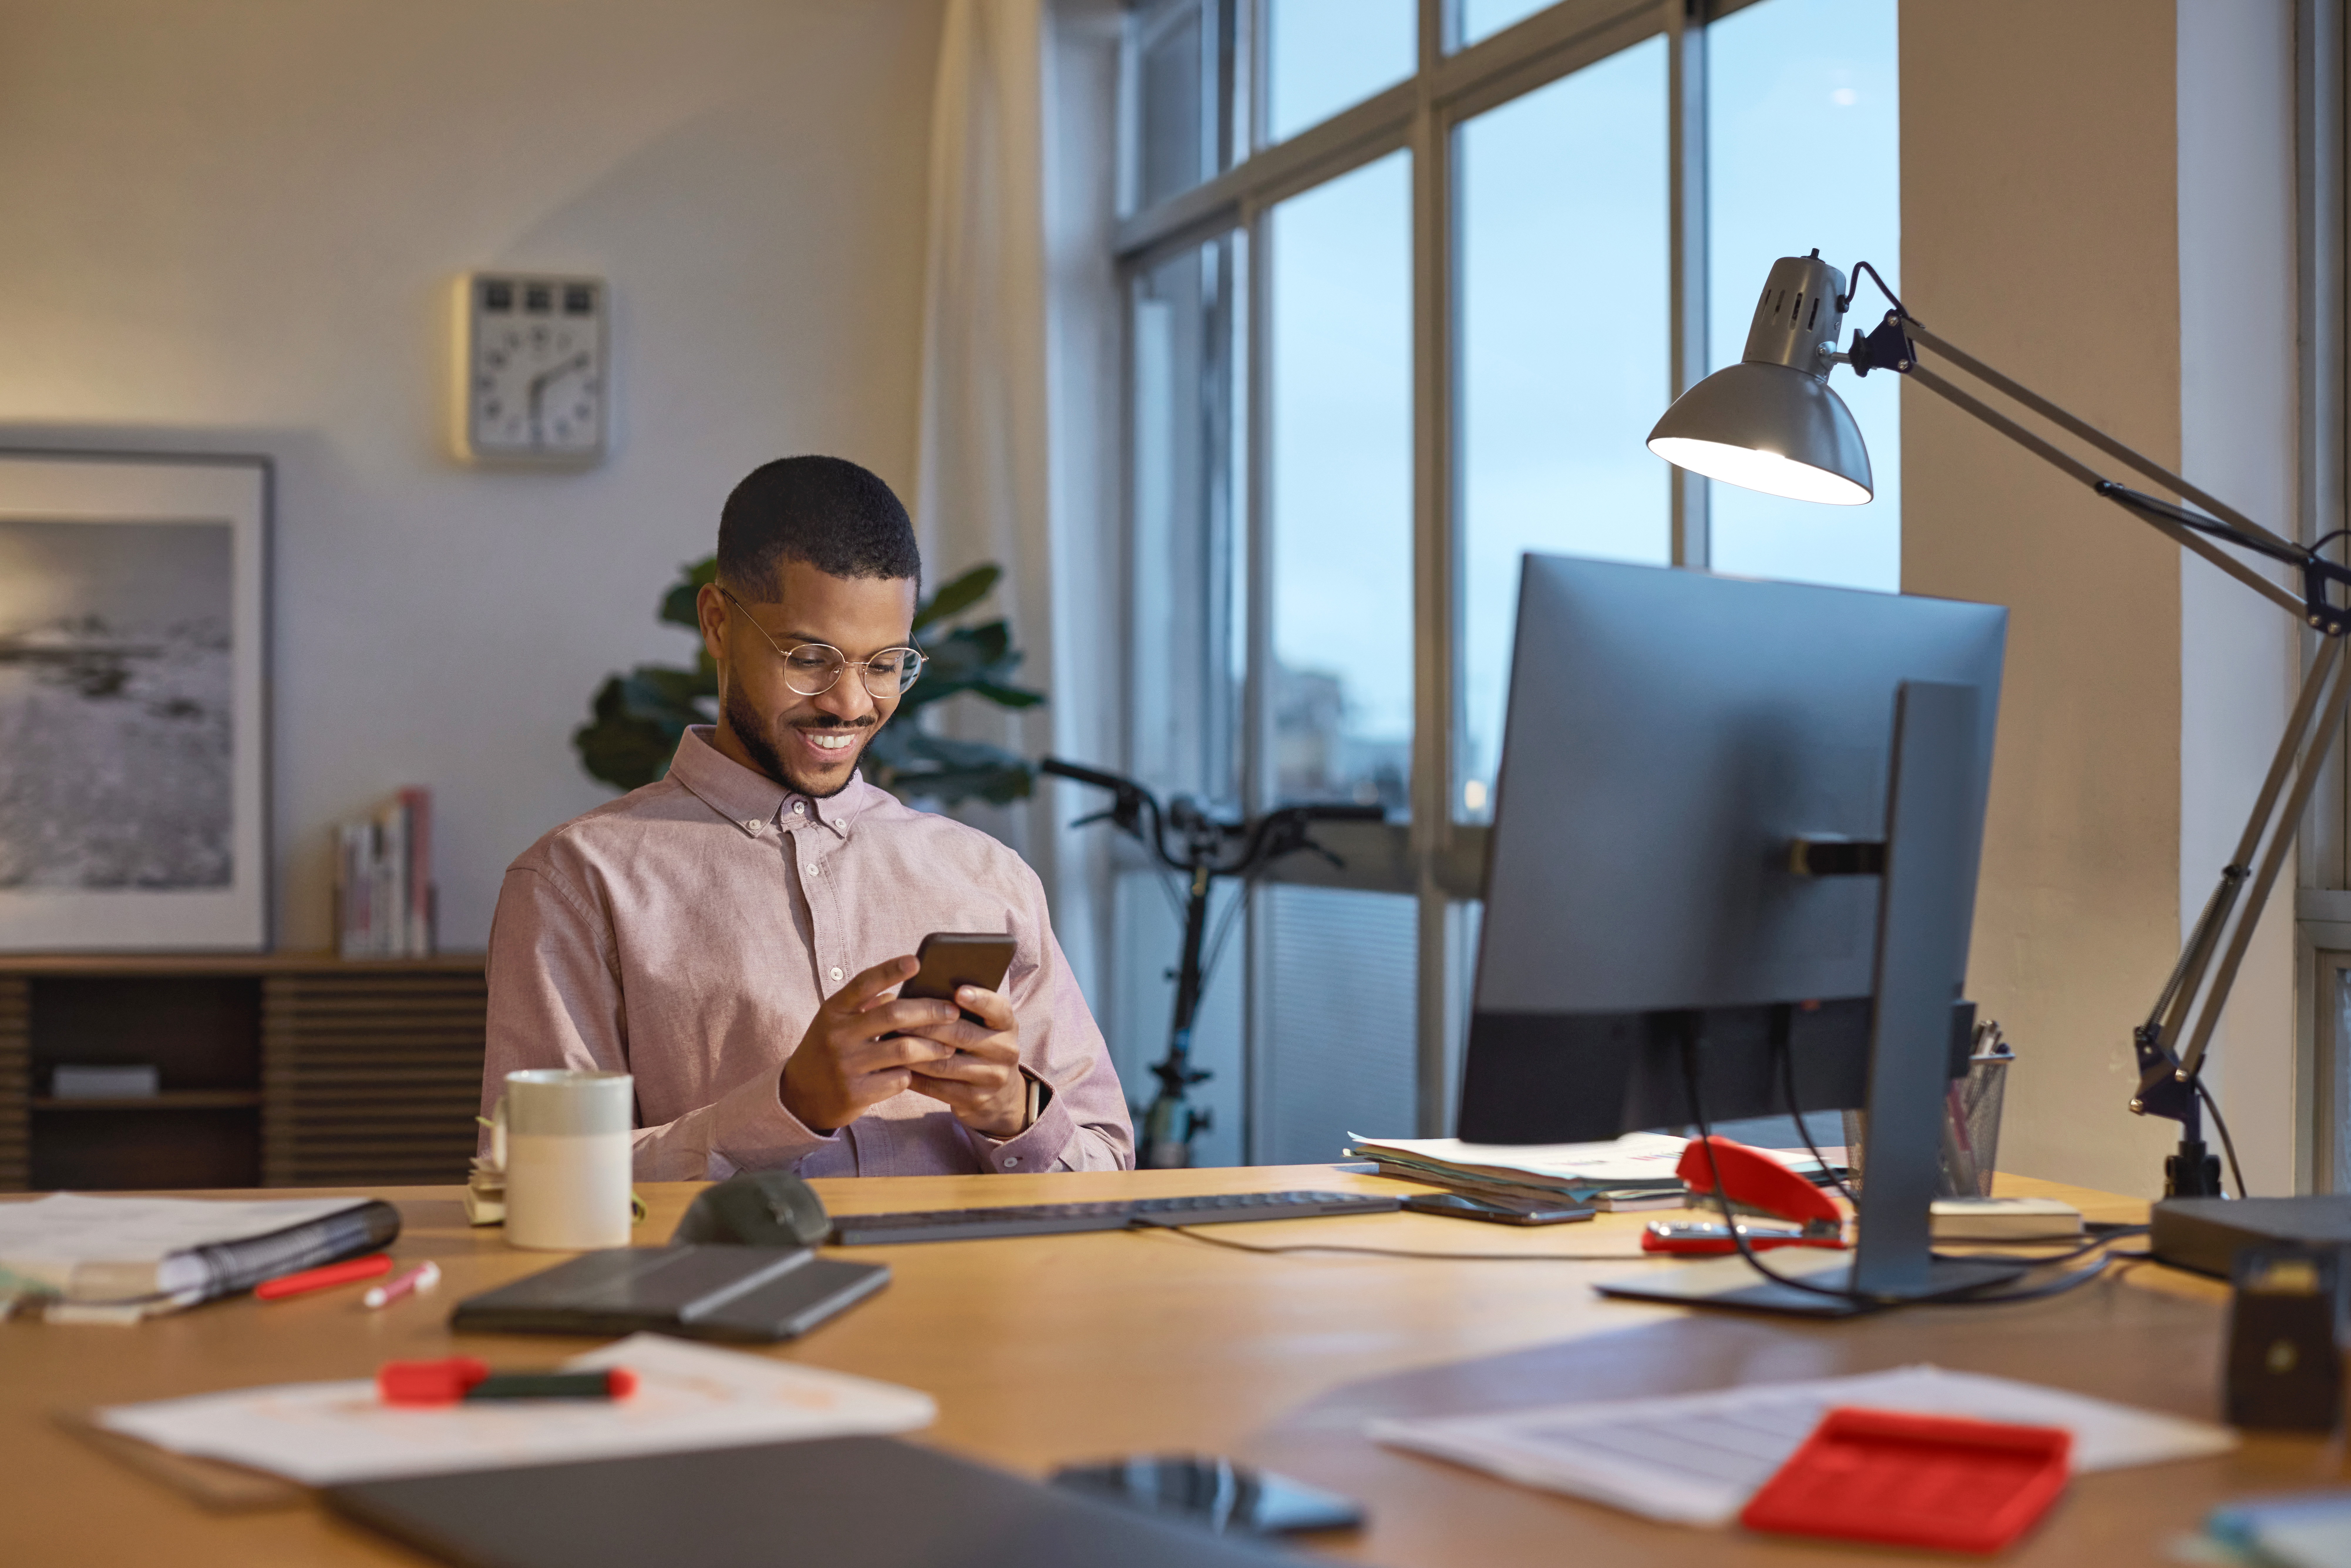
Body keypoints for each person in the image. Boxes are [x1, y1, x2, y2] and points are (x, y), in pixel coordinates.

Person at [481, 456, 1134, 1179]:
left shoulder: (986, 876)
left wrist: (1014, 1111)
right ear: (718, 624)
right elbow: (534, 1180)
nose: (850, 704)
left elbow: (1106, 1165)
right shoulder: (576, 884)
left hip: (977, 1293)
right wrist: (787, 1108)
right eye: (809, 657)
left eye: (884, 665)